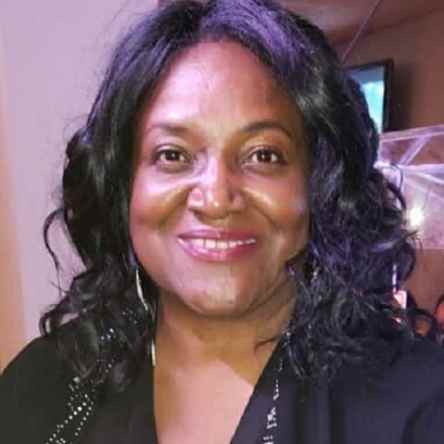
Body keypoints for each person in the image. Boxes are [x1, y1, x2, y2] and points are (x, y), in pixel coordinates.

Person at [1, 0, 444, 443]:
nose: (215, 199)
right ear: (123, 185)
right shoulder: (41, 387)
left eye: (263, 155)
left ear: (318, 183)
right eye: (173, 155)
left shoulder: (420, 406)